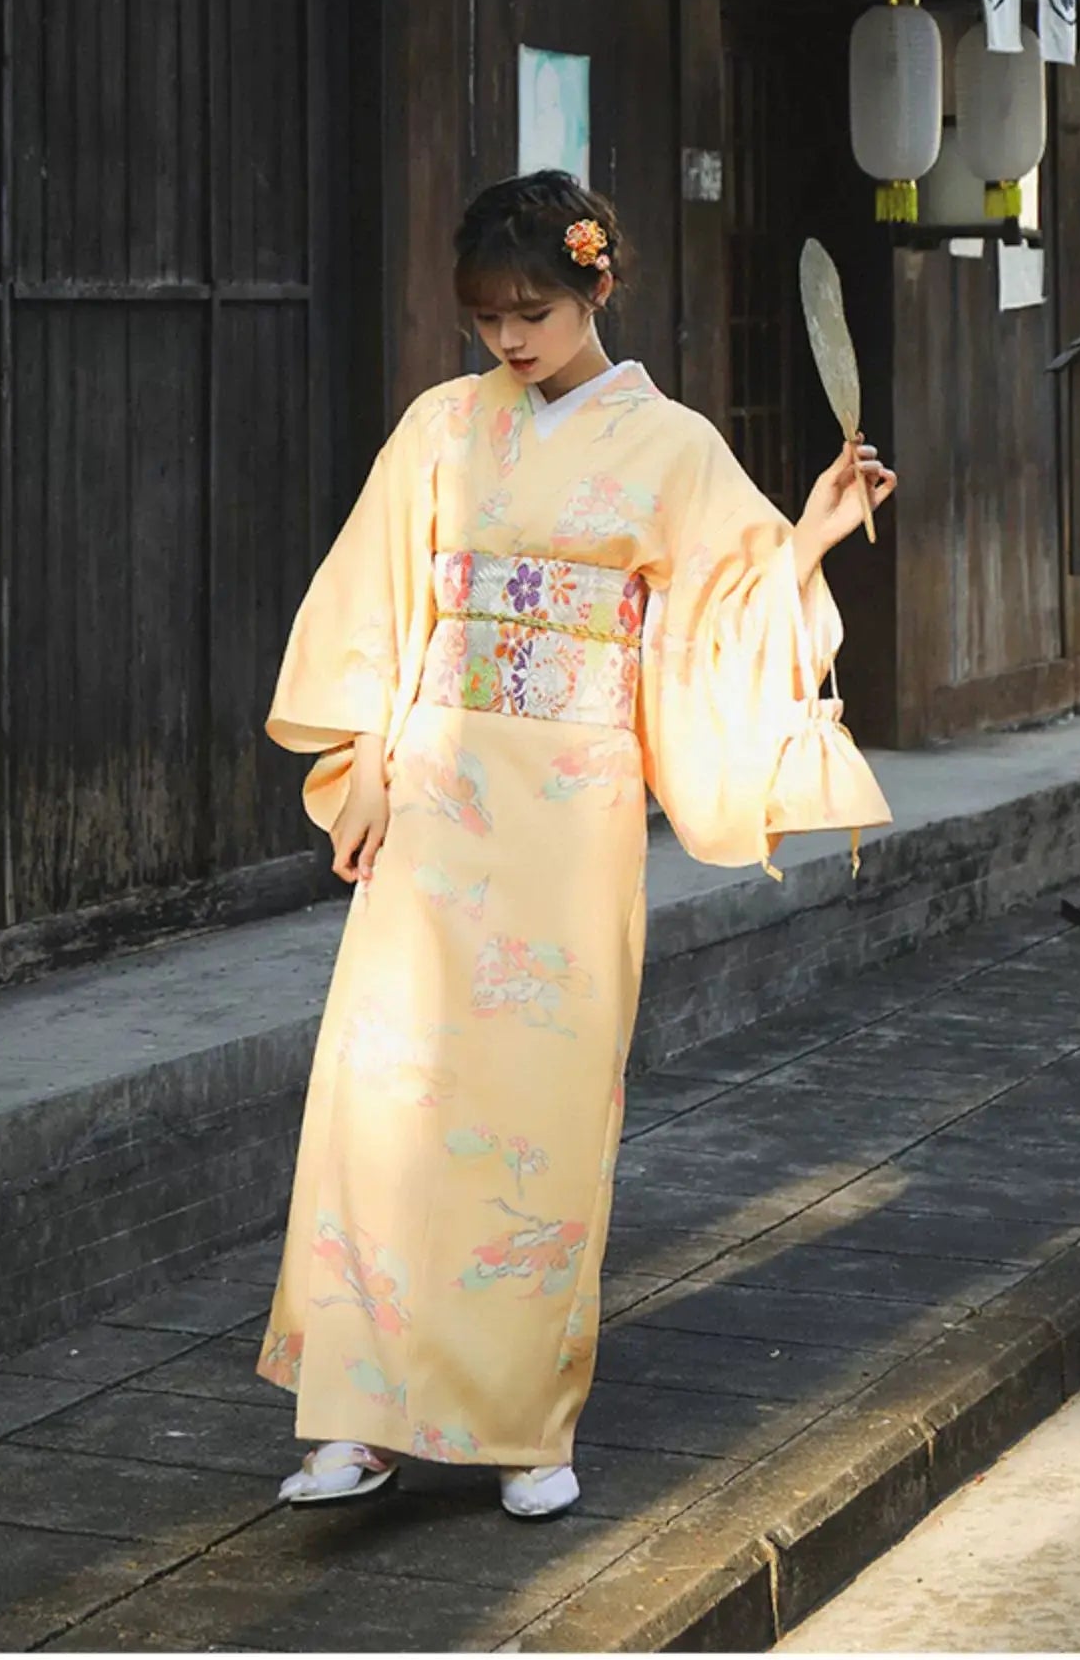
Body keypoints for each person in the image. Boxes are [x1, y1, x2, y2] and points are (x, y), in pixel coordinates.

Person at [255, 170, 896, 1521]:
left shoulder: (672, 446)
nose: (510, 339)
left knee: (540, 1117)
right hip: (437, 788)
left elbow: (726, 614)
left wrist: (811, 536)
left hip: (572, 808)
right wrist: (364, 761)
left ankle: (522, 1427)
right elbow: (378, 599)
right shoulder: (440, 428)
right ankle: (357, 1415)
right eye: (488, 317)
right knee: (383, 1097)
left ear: (597, 285)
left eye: (533, 312)